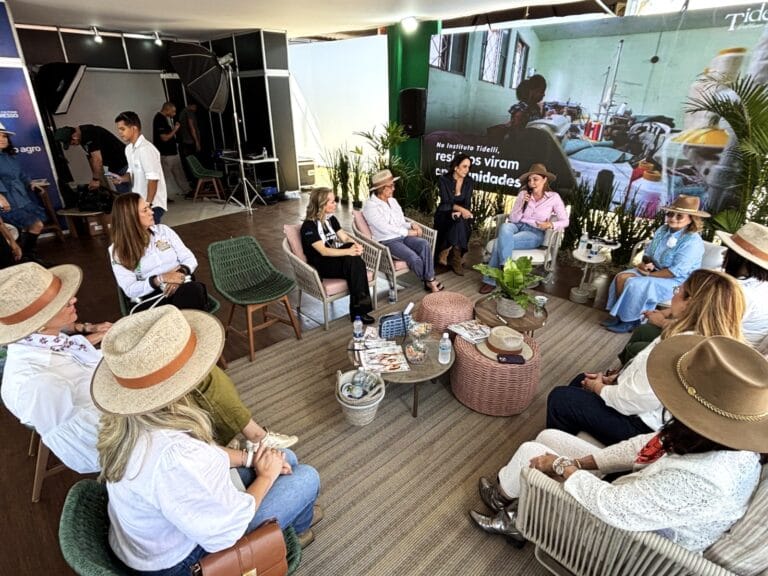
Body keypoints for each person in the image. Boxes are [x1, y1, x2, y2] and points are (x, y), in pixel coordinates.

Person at [470, 335, 766, 553]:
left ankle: (515, 518)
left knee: (533, 453)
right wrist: (582, 464)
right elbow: (641, 446)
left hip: (626, 542)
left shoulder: (705, 478)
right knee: (547, 439)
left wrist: (560, 466)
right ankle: (508, 501)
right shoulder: (712, 438)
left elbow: (612, 507)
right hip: (634, 494)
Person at [0, 262, 298, 475]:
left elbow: (66, 348)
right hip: (119, 433)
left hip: (118, 396)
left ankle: (246, 435)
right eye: (63, 302)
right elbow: (103, 441)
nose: (75, 298)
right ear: (38, 322)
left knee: (195, 369)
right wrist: (149, 396)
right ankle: (237, 448)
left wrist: (89, 330)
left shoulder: (39, 341)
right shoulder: (33, 384)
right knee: (189, 376)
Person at [93, 306, 320, 571]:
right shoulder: (174, 456)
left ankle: (292, 517)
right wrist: (266, 476)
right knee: (306, 478)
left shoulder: (129, 420)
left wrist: (250, 459)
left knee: (285, 458)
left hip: (154, 540)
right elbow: (226, 533)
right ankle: (297, 532)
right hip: (182, 560)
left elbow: (203, 453)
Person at [547, 269, 745, 446]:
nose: (673, 296)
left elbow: (632, 402)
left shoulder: (678, 349)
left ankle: (558, 451)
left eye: (678, 291)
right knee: (579, 380)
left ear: (690, 303)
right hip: (656, 417)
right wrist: (614, 381)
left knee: (560, 398)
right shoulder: (712, 343)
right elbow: (647, 388)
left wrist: (599, 388)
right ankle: (564, 442)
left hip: (643, 430)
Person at [619, 221, 768, 363]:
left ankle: (621, 381)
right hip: (705, 338)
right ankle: (618, 377)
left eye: (729, 251)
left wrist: (662, 321)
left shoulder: (740, 294)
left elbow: (704, 334)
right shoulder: (734, 279)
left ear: (739, 259)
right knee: (643, 331)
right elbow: (698, 306)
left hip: (720, 355)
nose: (723, 255)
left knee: (637, 349)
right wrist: (665, 313)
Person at [602, 194, 708, 333]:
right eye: (670, 214)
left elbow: (674, 272)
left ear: (691, 219)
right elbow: (649, 253)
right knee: (621, 277)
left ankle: (632, 320)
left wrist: (649, 276)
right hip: (654, 271)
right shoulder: (662, 230)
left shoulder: (692, 242)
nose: (673, 218)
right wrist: (644, 265)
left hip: (677, 281)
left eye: (679, 216)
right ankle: (620, 315)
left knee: (635, 284)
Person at [109, 192, 208, 311]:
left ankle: (185, 327)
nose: (152, 212)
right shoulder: (118, 250)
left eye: (149, 207)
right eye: (145, 210)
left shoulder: (164, 231)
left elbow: (189, 259)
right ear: (130, 217)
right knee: (184, 302)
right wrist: (161, 278)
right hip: (151, 296)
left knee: (191, 290)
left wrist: (178, 275)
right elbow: (130, 289)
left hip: (182, 284)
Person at [479, 163, 568, 294]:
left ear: (544, 180)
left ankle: (490, 281)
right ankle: (507, 268)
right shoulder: (523, 194)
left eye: (535, 179)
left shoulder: (553, 197)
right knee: (505, 226)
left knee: (499, 243)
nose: (532, 183)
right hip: (517, 225)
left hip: (534, 232)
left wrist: (550, 225)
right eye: (530, 180)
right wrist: (522, 203)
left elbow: (565, 221)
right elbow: (514, 219)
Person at [301, 187, 374, 324]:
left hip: (336, 259)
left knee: (354, 259)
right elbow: (323, 251)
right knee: (356, 263)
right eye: (332, 202)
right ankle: (360, 312)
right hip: (322, 264)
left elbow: (345, 239)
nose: (335, 204)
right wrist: (349, 251)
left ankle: (359, 313)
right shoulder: (308, 227)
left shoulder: (331, 220)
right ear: (322, 204)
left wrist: (355, 245)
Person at [363, 169, 443, 293]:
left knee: (424, 244)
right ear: (381, 189)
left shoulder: (393, 201)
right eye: (391, 186)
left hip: (402, 236)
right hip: (388, 241)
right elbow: (384, 227)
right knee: (414, 258)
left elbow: (400, 221)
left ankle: (429, 280)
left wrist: (411, 225)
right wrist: (407, 232)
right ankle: (431, 281)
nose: (394, 188)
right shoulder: (370, 206)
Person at [0, 122, 49, 265]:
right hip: (7, 201)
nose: (3, 139)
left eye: (5, 137)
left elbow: (21, 174)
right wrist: (1, 197)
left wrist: (30, 183)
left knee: (35, 224)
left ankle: (26, 256)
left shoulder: (11, 157)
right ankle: (27, 255)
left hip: (21, 198)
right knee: (36, 224)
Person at [111, 111, 168, 224]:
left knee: (151, 236)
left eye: (122, 129)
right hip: (139, 203)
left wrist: (148, 204)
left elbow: (153, 180)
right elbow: (131, 174)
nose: (120, 133)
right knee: (143, 237)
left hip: (152, 204)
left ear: (134, 128)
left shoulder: (146, 149)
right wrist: (122, 179)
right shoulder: (128, 149)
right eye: (118, 129)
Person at [53, 124, 130, 193]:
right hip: (113, 167)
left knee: (135, 194)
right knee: (125, 197)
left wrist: (95, 179)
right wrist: (96, 178)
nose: (72, 145)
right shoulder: (82, 138)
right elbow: (91, 158)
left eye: (71, 143)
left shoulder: (89, 133)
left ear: (74, 136)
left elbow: (97, 159)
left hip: (125, 164)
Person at [434, 154, 474, 275]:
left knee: (459, 222)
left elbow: (467, 203)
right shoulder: (444, 180)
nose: (467, 170)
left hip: (460, 215)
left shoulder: (469, 181)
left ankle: (449, 252)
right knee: (458, 222)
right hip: (444, 214)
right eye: (464, 166)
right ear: (456, 167)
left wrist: (460, 212)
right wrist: (459, 210)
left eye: (469, 167)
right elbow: (445, 203)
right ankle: (456, 259)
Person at [152, 101, 190, 198]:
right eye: (173, 111)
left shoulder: (162, 119)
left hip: (171, 152)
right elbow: (164, 138)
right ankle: (162, 197)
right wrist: (175, 129)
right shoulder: (159, 119)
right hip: (166, 153)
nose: (174, 114)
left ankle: (187, 191)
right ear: (167, 109)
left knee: (178, 173)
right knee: (166, 177)